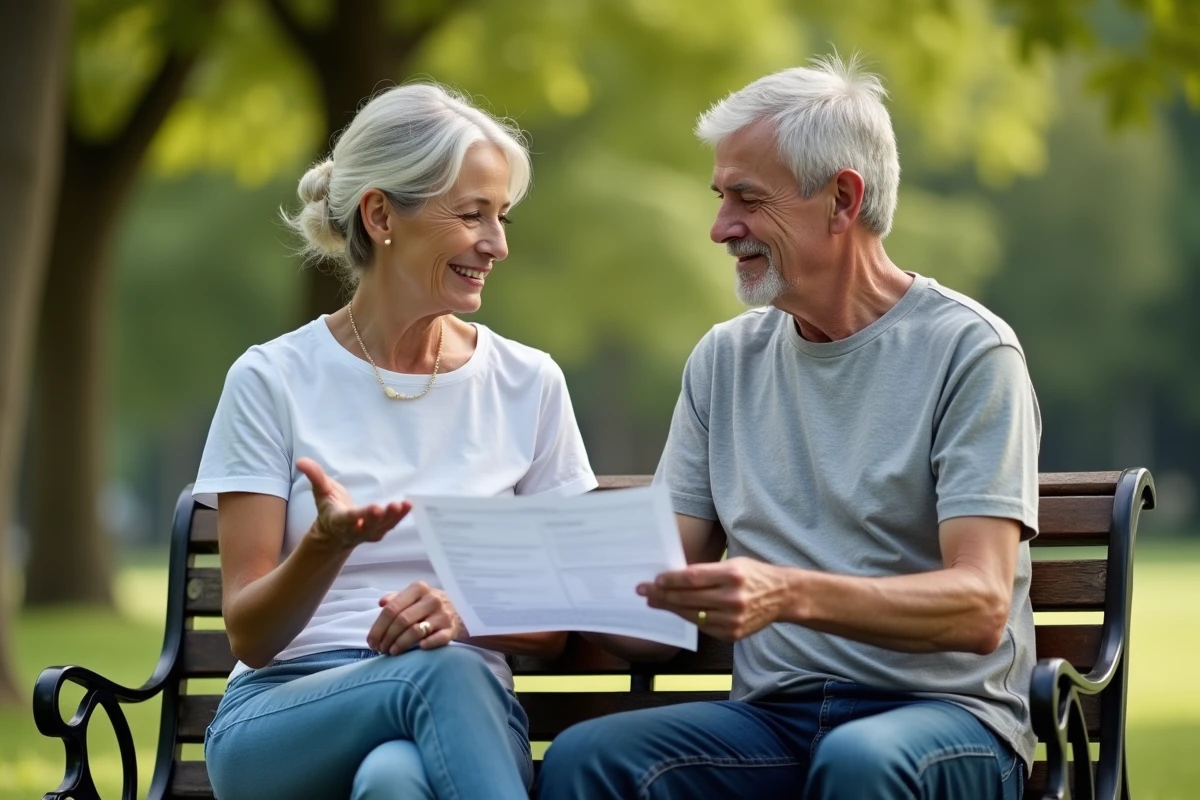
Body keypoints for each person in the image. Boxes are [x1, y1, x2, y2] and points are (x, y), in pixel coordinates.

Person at [537, 54, 1039, 800]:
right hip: (775, 721)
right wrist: (512, 584)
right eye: (721, 198)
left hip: (946, 719)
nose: (720, 228)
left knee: (861, 761)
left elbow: (980, 605)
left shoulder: (969, 351)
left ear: (842, 199)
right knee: (590, 759)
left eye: (747, 198)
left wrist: (790, 594)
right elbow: (655, 594)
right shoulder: (724, 361)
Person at [193, 83, 596, 800]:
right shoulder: (271, 378)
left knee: (395, 778)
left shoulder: (528, 383)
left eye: (500, 216)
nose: (497, 244)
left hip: (465, 711)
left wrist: (464, 613)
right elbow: (249, 636)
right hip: (286, 712)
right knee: (441, 675)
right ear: (380, 215)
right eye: (471, 215)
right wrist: (324, 546)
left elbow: (567, 608)